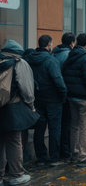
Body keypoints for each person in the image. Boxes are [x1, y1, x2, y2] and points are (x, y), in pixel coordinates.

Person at [24, 35, 67, 166]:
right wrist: (63, 96)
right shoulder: (51, 60)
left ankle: (41, 158)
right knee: (54, 129)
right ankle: (54, 158)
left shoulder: (29, 59)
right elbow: (58, 81)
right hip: (53, 99)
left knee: (39, 129)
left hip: (37, 98)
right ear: (49, 44)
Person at [0, 40, 35, 185]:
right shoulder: (19, 63)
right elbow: (27, 90)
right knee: (14, 141)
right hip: (12, 108)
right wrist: (31, 105)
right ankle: (16, 174)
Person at [63, 33, 86, 166]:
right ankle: (83, 157)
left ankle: (74, 153)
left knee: (74, 126)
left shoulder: (70, 55)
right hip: (85, 98)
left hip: (72, 96)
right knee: (85, 127)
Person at [52, 32, 75, 162]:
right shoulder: (68, 55)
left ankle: (59, 151)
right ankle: (65, 152)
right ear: (72, 43)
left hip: (53, 93)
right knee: (66, 124)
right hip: (65, 92)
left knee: (58, 124)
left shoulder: (54, 52)